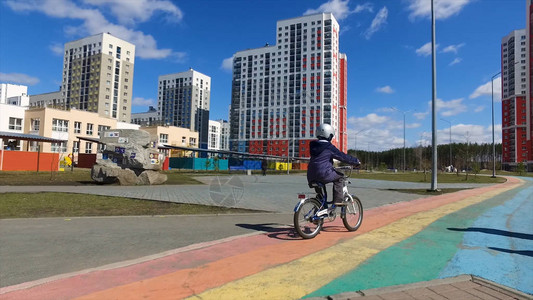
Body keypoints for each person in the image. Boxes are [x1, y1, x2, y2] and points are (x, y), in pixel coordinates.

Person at [307, 123, 361, 206]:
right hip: (323, 174)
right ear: (329, 135)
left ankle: (320, 207)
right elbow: (342, 156)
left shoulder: (313, 145)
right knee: (340, 177)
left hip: (310, 175)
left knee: (321, 193)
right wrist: (355, 161)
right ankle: (338, 201)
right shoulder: (328, 147)